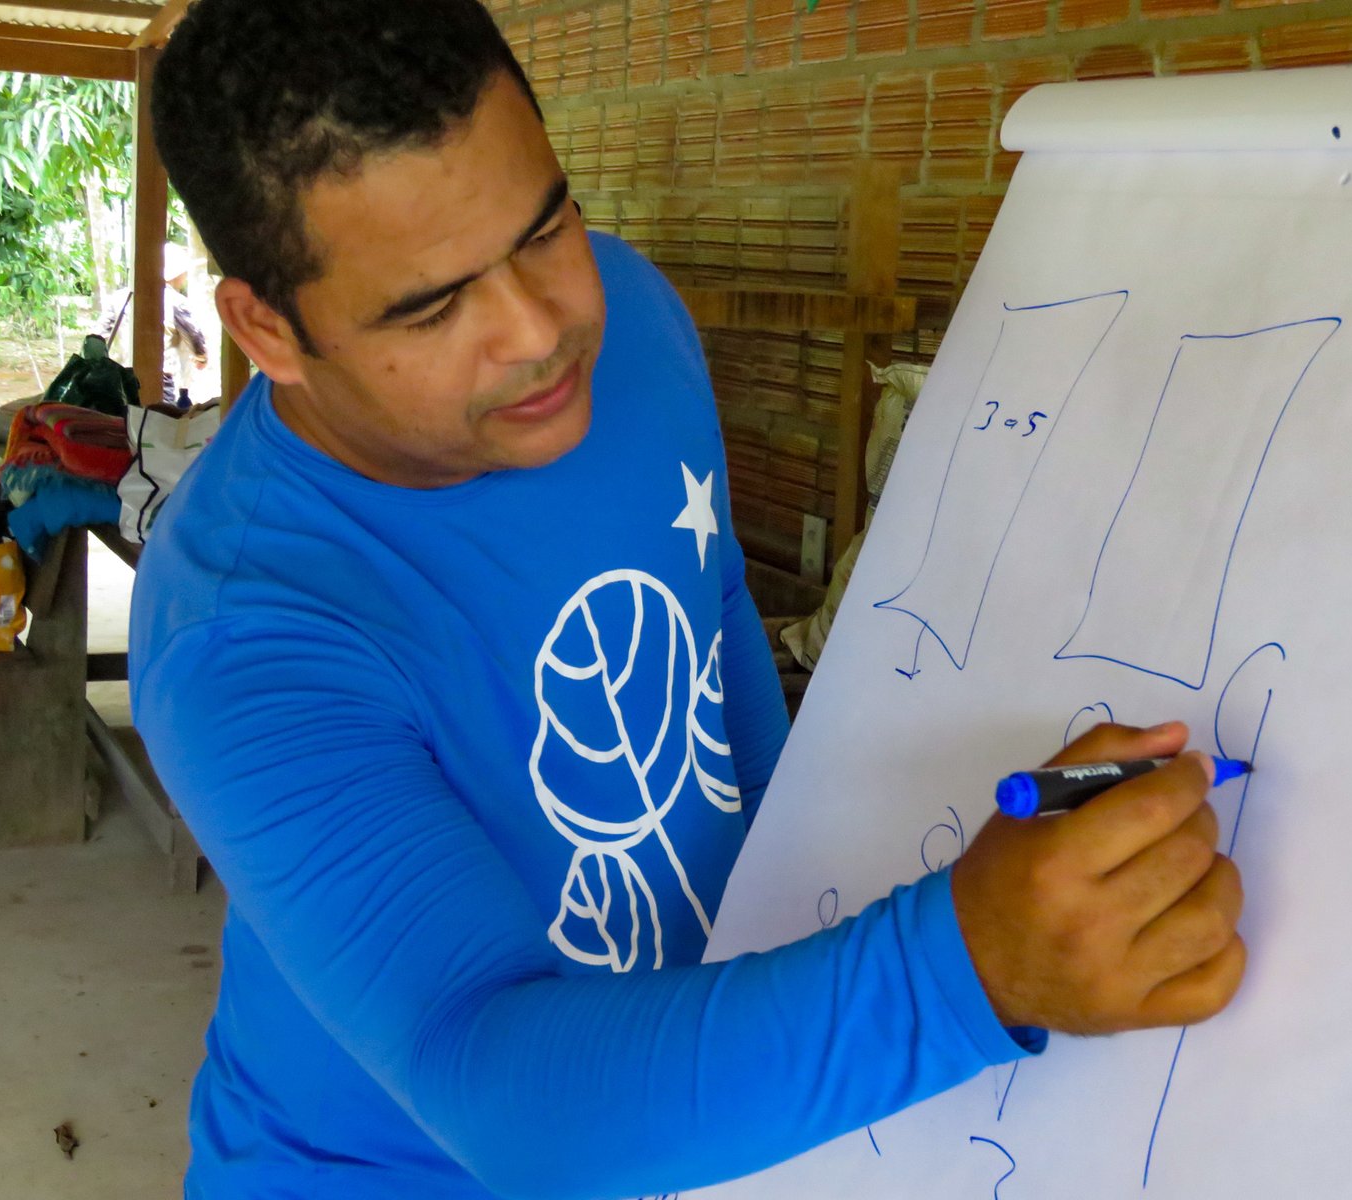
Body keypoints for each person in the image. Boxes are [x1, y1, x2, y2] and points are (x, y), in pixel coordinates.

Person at [129, 1, 1247, 1197]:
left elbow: (725, 679)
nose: (539, 333)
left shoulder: (631, 320)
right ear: (266, 329)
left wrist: (839, 907)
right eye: (433, 307)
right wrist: (968, 968)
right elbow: (494, 1079)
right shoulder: (243, 635)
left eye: (545, 228)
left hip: (719, 1116)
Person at [92, 241, 208, 405]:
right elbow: (193, 335)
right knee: (158, 417)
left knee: (128, 416)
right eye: (184, 273)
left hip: (122, 376)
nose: (185, 277)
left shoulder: (119, 298)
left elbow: (97, 336)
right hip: (162, 379)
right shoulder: (177, 302)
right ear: (176, 274)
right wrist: (201, 357)